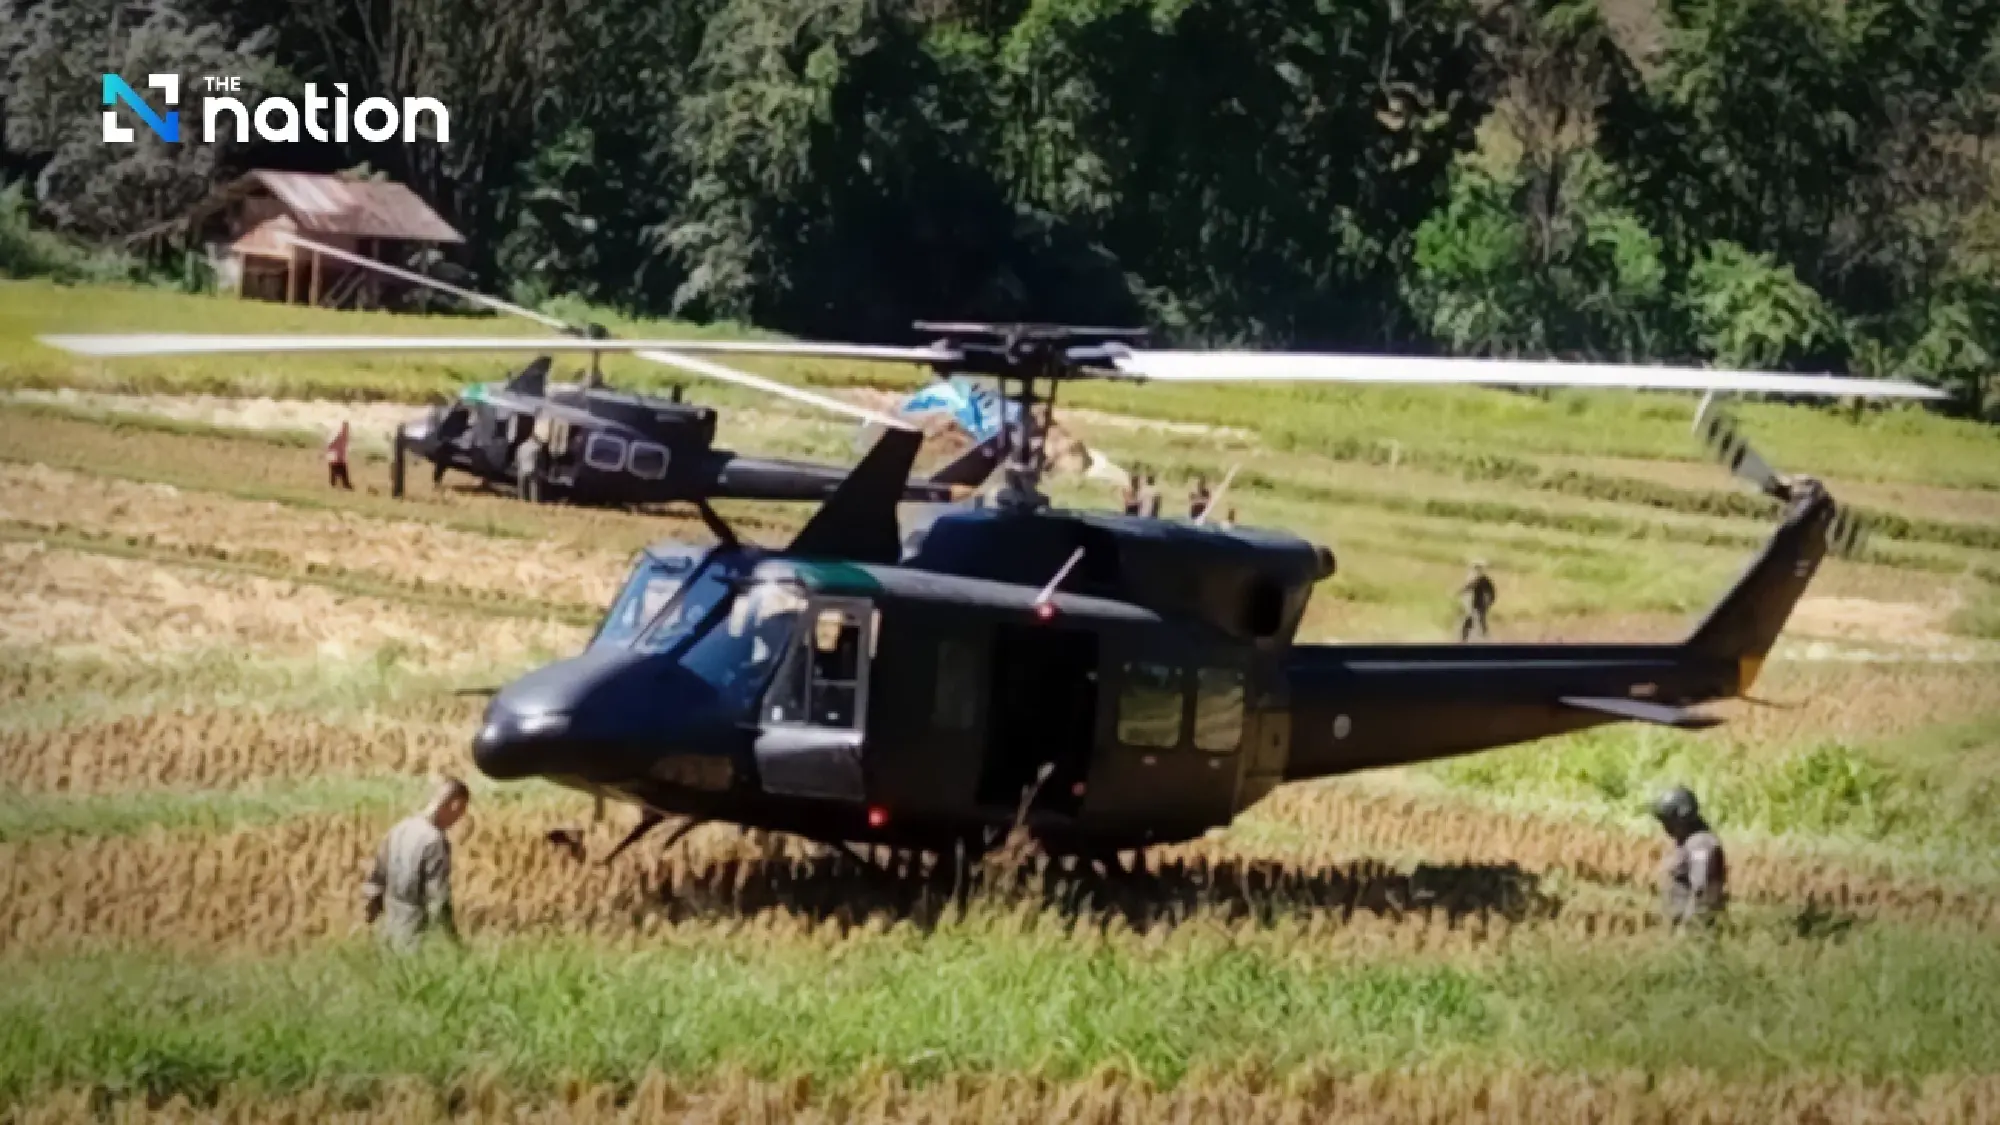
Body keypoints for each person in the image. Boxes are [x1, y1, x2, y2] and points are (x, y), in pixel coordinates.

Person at [361, 776, 469, 951]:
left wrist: (373, 916)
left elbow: (375, 881)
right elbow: (438, 900)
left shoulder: (399, 829)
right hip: (414, 938)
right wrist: (454, 943)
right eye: (461, 811)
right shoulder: (434, 841)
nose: (458, 819)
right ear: (454, 804)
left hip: (387, 935)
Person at [1652, 785, 1727, 927]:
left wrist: (1691, 928)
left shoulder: (1701, 844)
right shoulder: (1686, 842)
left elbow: (1702, 889)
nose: (1665, 828)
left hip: (1693, 930)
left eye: (1668, 822)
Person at [1457, 561, 1496, 641]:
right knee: (1477, 621)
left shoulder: (1481, 579)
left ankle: (1467, 639)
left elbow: (1469, 586)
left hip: (1479, 604)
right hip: (1477, 604)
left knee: (1476, 620)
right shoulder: (1482, 579)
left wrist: (1460, 592)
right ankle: (1469, 638)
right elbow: (1492, 593)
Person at [325, 419, 352, 490]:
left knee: (341, 474)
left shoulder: (345, 436)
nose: (346, 429)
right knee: (338, 474)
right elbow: (330, 445)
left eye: (347, 427)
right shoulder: (338, 436)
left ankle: (343, 486)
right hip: (335, 459)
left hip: (340, 459)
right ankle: (342, 486)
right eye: (345, 427)